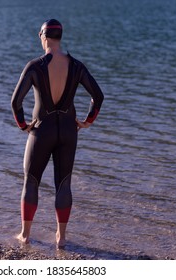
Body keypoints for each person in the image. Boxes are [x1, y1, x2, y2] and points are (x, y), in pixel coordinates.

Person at [11, 19, 104, 248]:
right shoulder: (77, 66)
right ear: (59, 38)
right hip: (68, 132)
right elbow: (98, 96)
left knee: (31, 181)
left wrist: (23, 126)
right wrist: (87, 121)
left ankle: (25, 235)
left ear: (43, 37)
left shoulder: (35, 66)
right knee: (64, 184)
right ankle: (61, 238)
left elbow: (16, 102)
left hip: (42, 130)